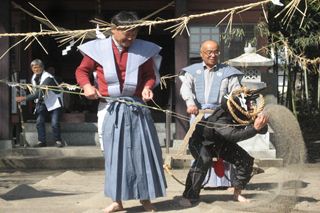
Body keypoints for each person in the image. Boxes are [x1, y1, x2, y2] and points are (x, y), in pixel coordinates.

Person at [75, 11, 166, 213]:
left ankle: (146, 199)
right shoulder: (97, 49)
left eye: (134, 32)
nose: (131, 37)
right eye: (127, 33)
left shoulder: (143, 50)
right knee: (113, 155)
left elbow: (150, 75)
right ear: (114, 30)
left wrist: (147, 87)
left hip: (136, 106)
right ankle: (117, 200)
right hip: (109, 105)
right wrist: (87, 86)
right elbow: (82, 71)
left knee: (143, 152)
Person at [179, 88, 269, 206]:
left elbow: (262, 130)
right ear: (238, 105)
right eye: (248, 103)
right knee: (204, 160)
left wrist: (260, 124)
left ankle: (237, 193)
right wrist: (255, 128)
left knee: (246, 160)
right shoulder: (221, 118)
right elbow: (233, 136)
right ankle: (189, 196)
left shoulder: (242, 114)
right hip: (201, 143)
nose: (251, 105)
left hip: (221, 144)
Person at [179, 39, 243, 189]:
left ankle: (225, 181)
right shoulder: (192, 71)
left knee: (224, 147)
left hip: (221, 116)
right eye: (209, 52)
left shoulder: (228, 72)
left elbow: (236, 93)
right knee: (201, 150)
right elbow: (185, 89)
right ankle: (201, 182)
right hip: (199, 115)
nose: (213, 55)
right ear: (201, 54)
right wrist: (190, 103)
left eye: (216, 52)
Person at [16, 59, 64, 148]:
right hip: (43, 101)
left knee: (54, 122)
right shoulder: (34, 77)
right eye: (34, 68)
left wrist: (23, 98)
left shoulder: (48, 77)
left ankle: (58, 140)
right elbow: (36, 92)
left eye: (38, 67)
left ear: (42, 67)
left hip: (54, 101)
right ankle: (41, 141)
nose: (36, 70)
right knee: (39, 121)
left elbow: (39, 93)